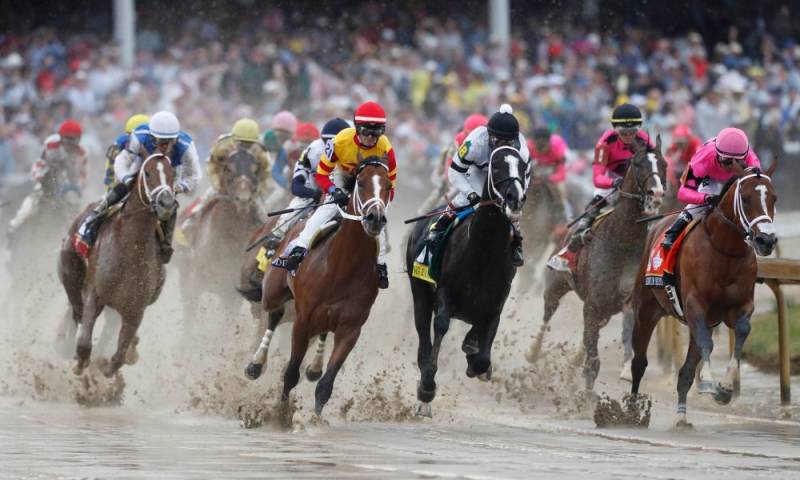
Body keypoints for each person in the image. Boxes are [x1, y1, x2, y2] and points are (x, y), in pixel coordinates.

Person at [278, 101, 397, 289]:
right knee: (328, 207)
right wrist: (333, 191)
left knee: (378, 217)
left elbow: (391, 179)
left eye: (377, 133)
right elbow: (322, 173)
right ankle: (300, 247)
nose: (371, 138)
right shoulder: (340, 141)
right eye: (366, 132)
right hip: (342, 175)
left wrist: (382, 202)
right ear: (357, 128)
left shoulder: (385, 147)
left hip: (369, 181)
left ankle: (381, 265)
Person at [73, 111, 202, 263]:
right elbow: (122, 161)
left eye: (170, 142)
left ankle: (166, 245)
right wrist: (127, 179)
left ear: (176, 138)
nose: (166, 148)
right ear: (152, 136)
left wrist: (178, 188)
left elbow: (195, 176)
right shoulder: (140, 135)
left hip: (169, 172)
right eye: (161, 142)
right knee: (124, 187)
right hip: (141, 165)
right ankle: (93, 221)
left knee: (170, 203)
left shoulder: (186, 145)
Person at [548, 103, 655, 272]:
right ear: (614, 128)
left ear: (639, 128)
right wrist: (613, 183)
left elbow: (653, 166)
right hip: (611, 180)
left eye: (632, 132)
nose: (628, 136)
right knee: (591, 210)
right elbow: (597, 178)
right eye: (623, 133)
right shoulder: (604, 143)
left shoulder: (646, 141)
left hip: (637, 183)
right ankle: (569, 253)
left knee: (654, 211)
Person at [427, 104, 530, 267]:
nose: (502, 145)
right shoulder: (475, 142)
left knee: (513, 211)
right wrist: (471, 195)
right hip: (478, 171)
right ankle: (438, 229)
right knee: (464, 200)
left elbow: (523, 179)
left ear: (515, 139)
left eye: (508, 142)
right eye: (497, 140)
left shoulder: (522, 151)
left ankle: (516, 241)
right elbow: (454, 172)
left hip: (504, 177)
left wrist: (512, 199)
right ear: (489, 134)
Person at [661, 127, 761, 250]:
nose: (731, 167)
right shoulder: (703, 158)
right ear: (717, 154)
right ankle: (673, 232)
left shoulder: (752, 160)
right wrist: (706, 198)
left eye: (737, 162)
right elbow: (683, 193)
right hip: (710, 178)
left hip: (736, 178)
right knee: (705, 199)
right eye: (726, 161)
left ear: (746, 157)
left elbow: (759, 190)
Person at [264, 118, 350, 250]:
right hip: (311, 196)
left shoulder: (354, 152)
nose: (332, 147)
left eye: (339, 143)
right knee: (288, 216)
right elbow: (296, 186)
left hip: (342, 197)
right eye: (328, 142)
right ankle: (274, 240)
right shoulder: (312, 152)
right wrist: (314, 194)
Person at [180, 118, 271, 230]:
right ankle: (191, 221)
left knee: (262, 212)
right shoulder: (222, 148)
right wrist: (221, 186)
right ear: (235, 140)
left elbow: (264, 175)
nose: (245, 146)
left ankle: (266, 232)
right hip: (225, 184)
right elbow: (212, 168)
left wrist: (256, 190)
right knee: (206, 199)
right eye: (242, 142)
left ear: (255, 142)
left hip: (249, 189)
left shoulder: (261, 154)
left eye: (249, 144)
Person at [8, 119, 87, 234]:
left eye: (73, 139)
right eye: (67, 138)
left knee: (76, 210)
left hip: (68, 185)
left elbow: (83, 177)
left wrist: (76, 188)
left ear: (79, 139)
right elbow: (39, 164)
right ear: (61, 137)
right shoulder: (51, 144)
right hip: (47, 178)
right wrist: (39, 178)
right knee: (29, 204)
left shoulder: (82, 154)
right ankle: (13, 227)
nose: (69, 143)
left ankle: (77, 235)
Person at [418, 113, 488, 214]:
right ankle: (423, 216)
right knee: (441, 197)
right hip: (449, 176)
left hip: (472, 178)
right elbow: (451, 170)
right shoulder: (458, 142)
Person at [528, 126, 573, 217]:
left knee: (560, 188)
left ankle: (567, 214)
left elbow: (561, 174)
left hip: (556, 164)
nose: (540, 149)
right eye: (538, 145)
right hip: (541, 164)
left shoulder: (557, 149)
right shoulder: (528, 147)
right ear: (533, 142)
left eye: (543, 145)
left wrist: (548, 178)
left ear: (549, 142)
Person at [104, 114, 149, 191]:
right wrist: (110, 189)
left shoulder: (155, 144)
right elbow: (110, 169)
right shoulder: (119, 144)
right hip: (123, 183)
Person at [665, 124, 701, 188]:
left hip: (692, 166)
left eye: (682, 143)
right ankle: (673, 186)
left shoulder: (695, 145)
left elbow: (698, 162)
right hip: (683, 165)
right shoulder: (676, 146)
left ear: (688, 139)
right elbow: (668, 155)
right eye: (678, 143)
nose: (680, 145)